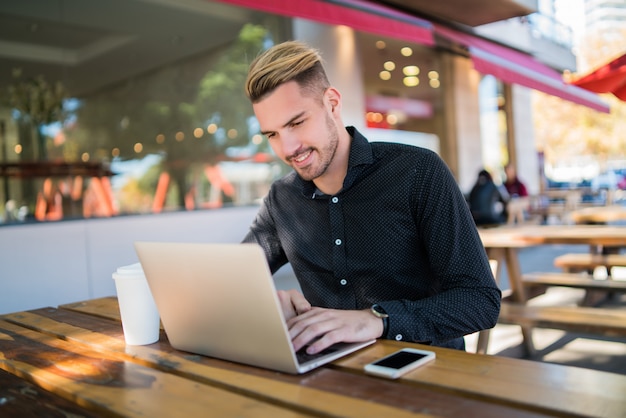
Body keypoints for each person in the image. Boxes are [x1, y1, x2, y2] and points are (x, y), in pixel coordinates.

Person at [241, 40, 500, 355]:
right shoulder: (282, 198)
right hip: (329, 373)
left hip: (427, 372)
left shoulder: (418, 172)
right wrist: (266, 300)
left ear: (332, 103)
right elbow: (234, 278)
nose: (288, 147)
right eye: (273, 134)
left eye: (296, 123)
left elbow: (479, 300)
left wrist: (376, 320)